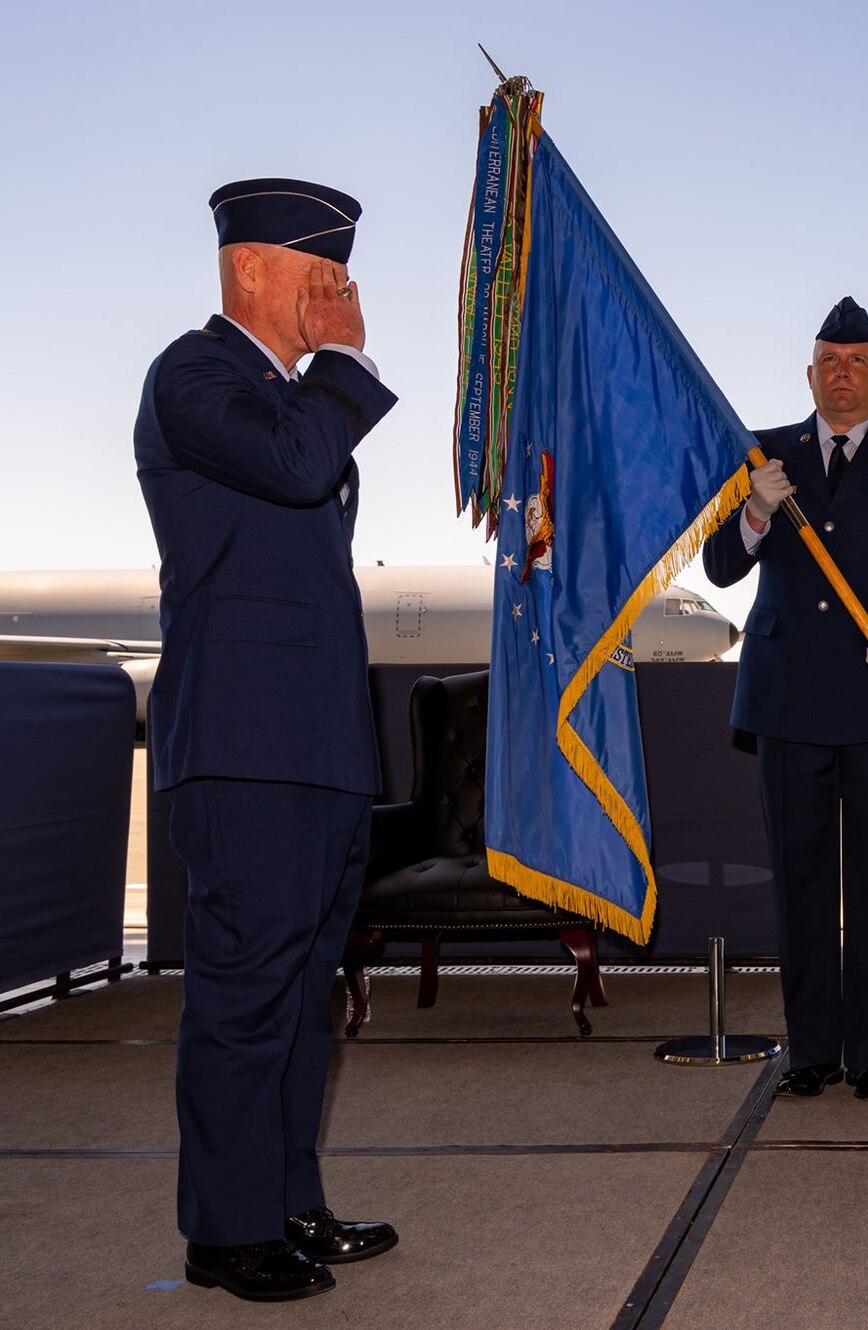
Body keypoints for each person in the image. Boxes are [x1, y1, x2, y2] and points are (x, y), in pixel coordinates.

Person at [135, 178, 401, 1302]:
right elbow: (294, 469)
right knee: (246, 993)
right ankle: (225, 1228)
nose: (336, 300)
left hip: (318, 748)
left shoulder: (286, 399)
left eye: (341, 282)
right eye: (319, 278)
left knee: (300, 996)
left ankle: (288, 1201)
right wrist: (343, 358)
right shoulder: (194, 376)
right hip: (245, 746)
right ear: (250, 269)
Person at [704, 297, 868, 1101]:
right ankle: (812, 1053)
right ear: (809, 374)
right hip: (788, 704)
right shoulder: (763, 455)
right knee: (802, 884)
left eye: (858, 362)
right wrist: (754, 510)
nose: (843, 375)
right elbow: (721, 568)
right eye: (829, 361)